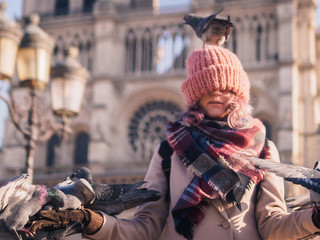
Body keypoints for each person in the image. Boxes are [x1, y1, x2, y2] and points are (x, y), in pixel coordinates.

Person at [30, 46, 320, 240]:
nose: (217, 93)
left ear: (238, 93)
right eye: (207, 87)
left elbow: (273, 225)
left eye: (226, 87)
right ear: (195, 94)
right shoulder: (170, 149)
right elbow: (146, 225)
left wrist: (316, 218)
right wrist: (91, 220)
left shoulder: (263, 147)